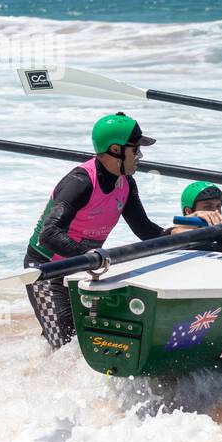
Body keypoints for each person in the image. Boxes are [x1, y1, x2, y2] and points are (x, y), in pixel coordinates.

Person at [23, 113, 174, 348]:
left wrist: (177, 235)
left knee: (92, 339)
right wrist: (91, 254)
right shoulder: (80, 183)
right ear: (116, 149)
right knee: (65, 345)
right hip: (46, 268)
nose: (140, 156)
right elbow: (49, 234)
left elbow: (145, 230)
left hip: (85, 264)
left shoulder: (126, 183)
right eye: (135, 150)